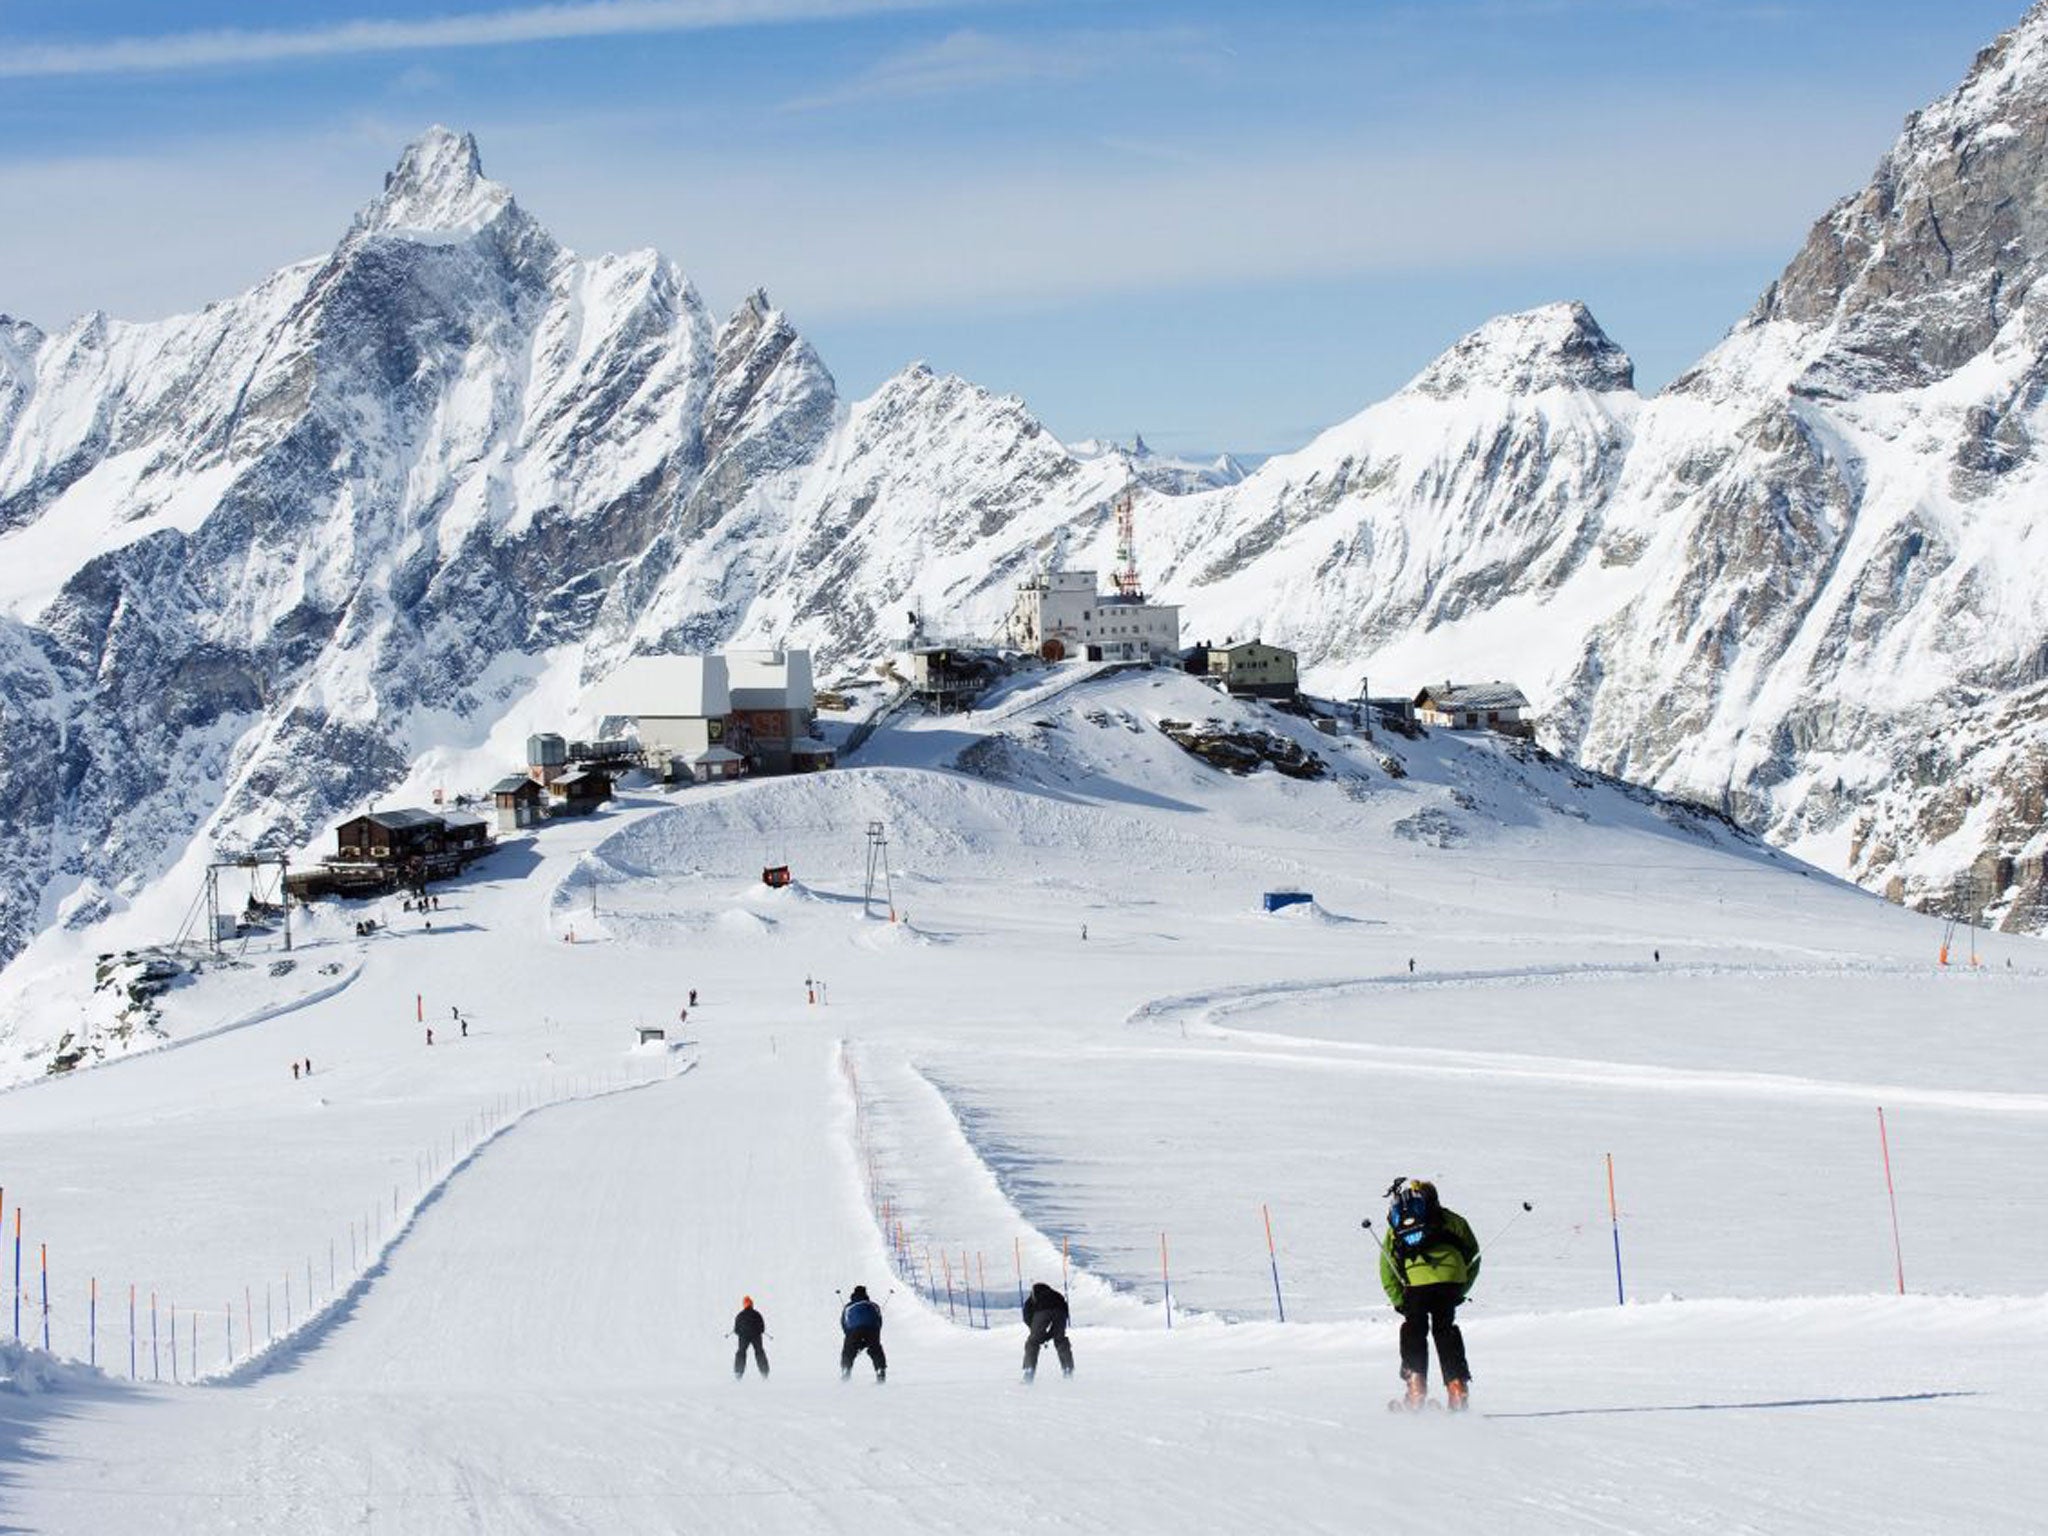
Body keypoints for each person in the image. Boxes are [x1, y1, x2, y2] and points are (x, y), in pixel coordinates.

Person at [1378, 1178, 1481, 1411]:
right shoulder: (1453, 1220)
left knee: (1414, 1329)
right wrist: (1460, 1288)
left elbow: (1387, 1265)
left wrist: (1398, 1298)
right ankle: (1457, 1389)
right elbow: (1474, 1255)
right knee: (1445, 1330)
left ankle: (1415, 1389)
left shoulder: (1399, 1224)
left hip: (1416, 1283)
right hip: (1451, 1280)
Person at [1020, 1281, 1073, 1382]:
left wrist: (1037, 1333)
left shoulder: (1033, 1297)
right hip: (1060, 1311)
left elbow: (1027, 1316)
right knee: (1060, 1340)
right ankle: (1068, 1369)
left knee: (1032, 1342)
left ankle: (1029, 1371)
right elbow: (1065, 1312)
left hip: (1042, 1311)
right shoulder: (1056, 1295)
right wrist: (1050, 1334)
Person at [839, 1285, 886, 1382]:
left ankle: (846, 1369)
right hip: (872, 1328)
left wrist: (851, 1339)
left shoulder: (848, 1307)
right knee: (876, 1349)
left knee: (848, 1350)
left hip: (854, 1330)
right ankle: (880, 1369)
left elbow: (844, 1323)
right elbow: (879, 1321)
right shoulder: (874, 1305)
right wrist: (874, 1338)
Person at [733, 1296, 769, 1379]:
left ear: (744, 1305)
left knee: (741, 1352)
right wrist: (758, 1331)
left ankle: (738, 1372)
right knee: (759, 1352)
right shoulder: (757, 1314)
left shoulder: (740, 1315)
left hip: (744, 1337)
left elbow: (736, 1329)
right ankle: (764, 1372)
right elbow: (762, 1327)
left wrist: (741, 1333)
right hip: (756, 1336)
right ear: (752, 1304)